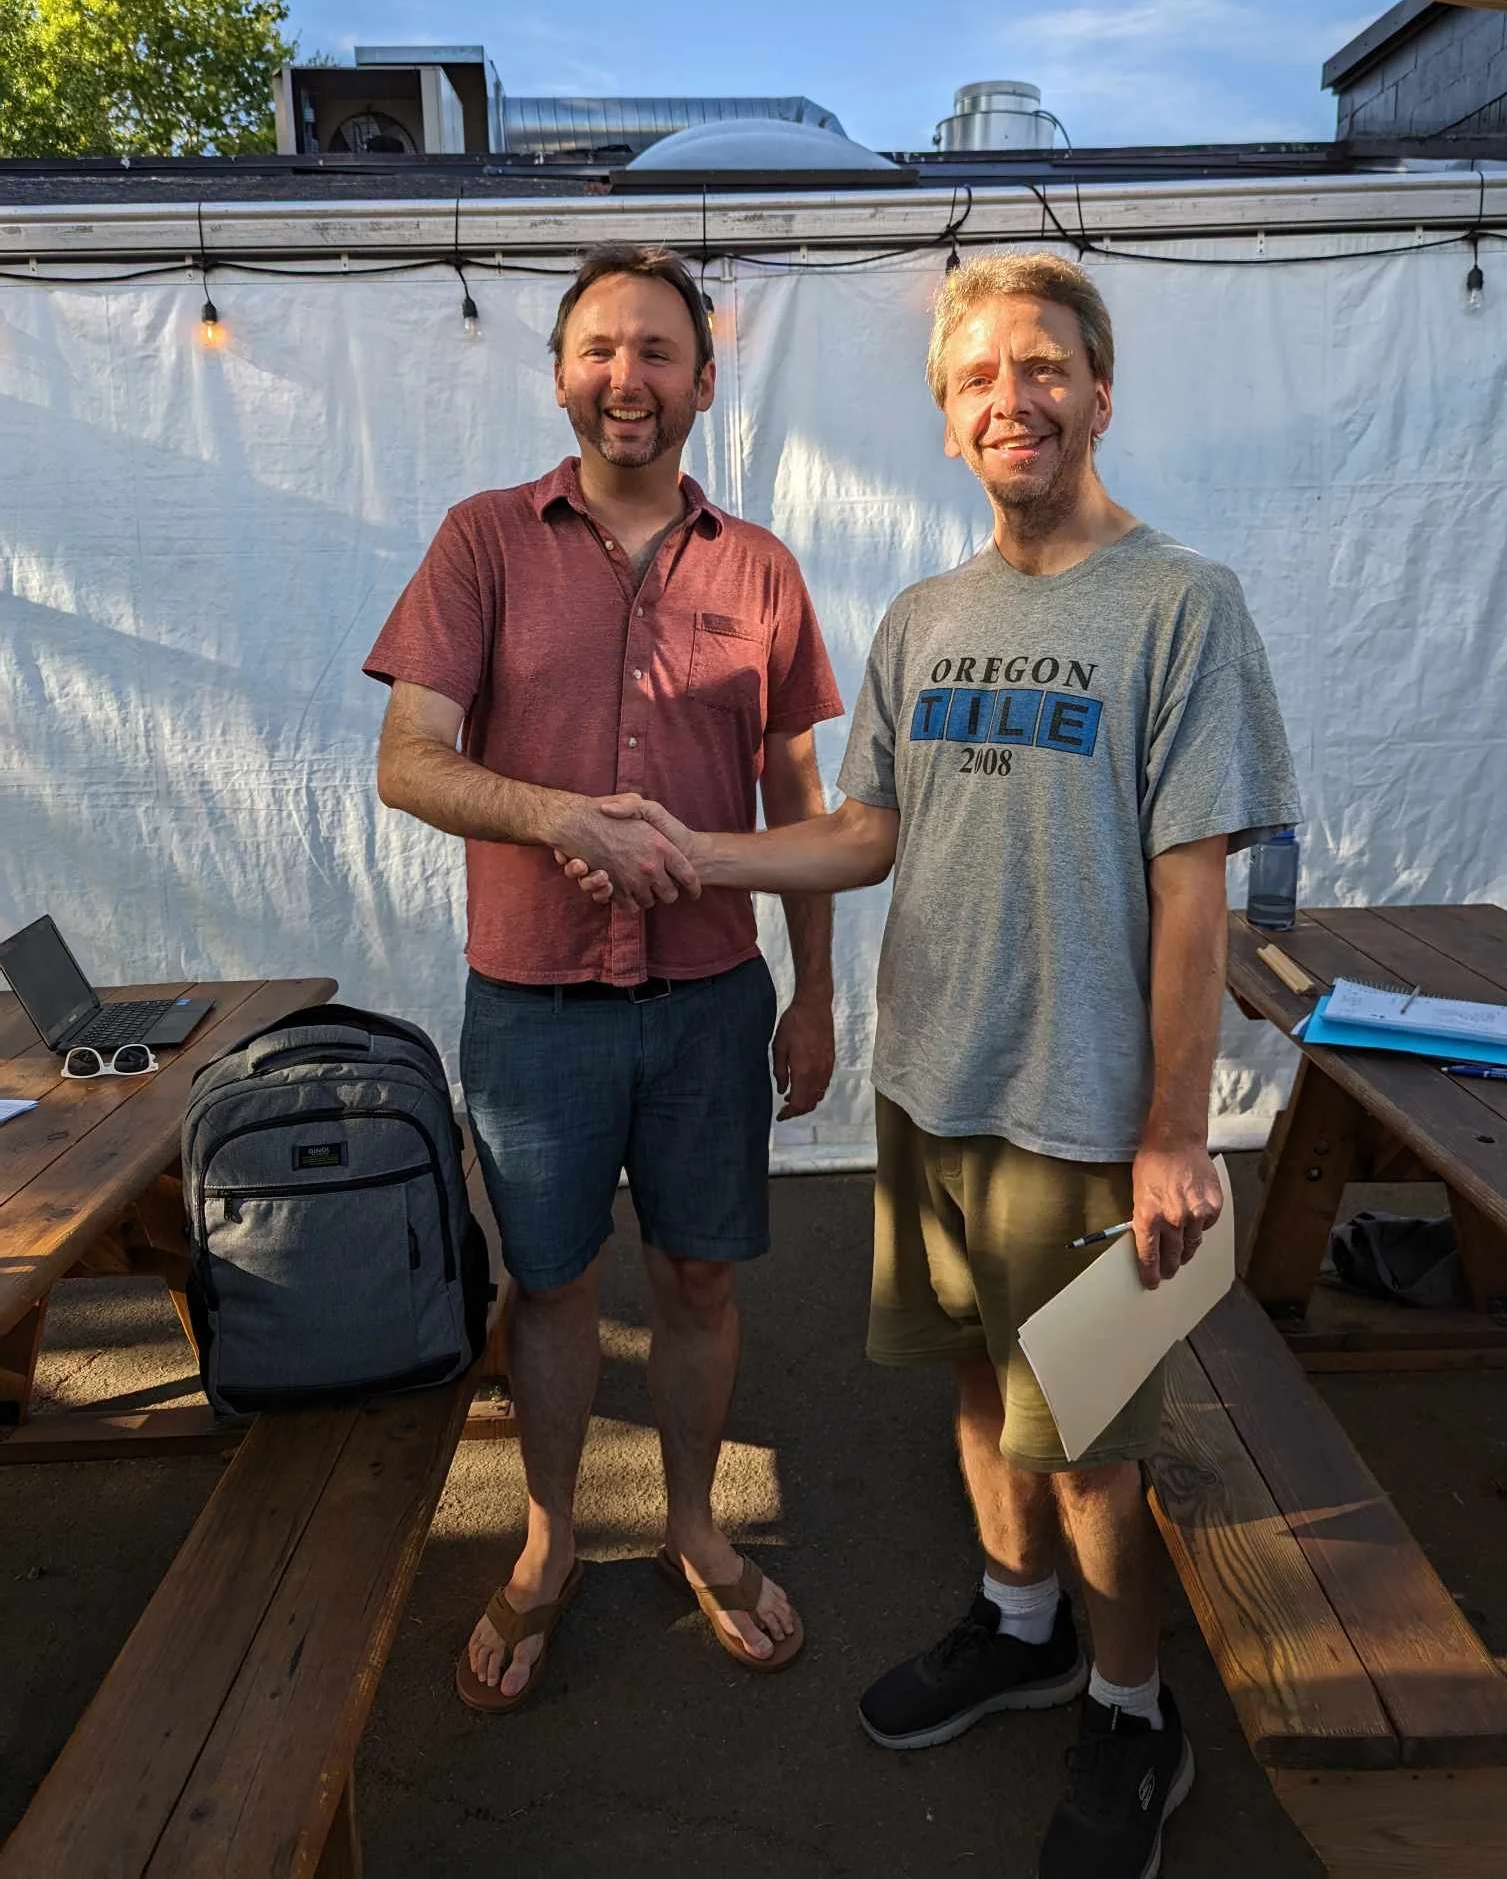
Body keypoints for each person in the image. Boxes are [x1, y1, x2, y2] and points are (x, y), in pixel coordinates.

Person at [569, 251, 1299, 1876]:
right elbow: (865, 834)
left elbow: (1196, 889)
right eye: (977, 379)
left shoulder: (1181, 603)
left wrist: (1176, 1131)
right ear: (949, 421)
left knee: (1092, 1444)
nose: (1009, 399)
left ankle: (1133, 1711)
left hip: (1086, 1113)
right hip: (933, 1089)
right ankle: (1019, 1622)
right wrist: (694, 851)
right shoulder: (924, 618)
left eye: (1041, 369)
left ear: (1099, 394)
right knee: (975, 1388)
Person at [363, 243, 844, 1710]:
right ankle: (552, 1538)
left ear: (704, 381)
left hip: (711, 1002)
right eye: (599, 350)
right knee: (554, 1283)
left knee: (698, 1277)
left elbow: (796, 796)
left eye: (656, 351)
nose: (625, 377)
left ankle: (695, 1524)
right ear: (562, 375)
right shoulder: (481, 543)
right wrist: (560, 818)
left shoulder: (761, 568)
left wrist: (818, 992)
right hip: (535, 1005)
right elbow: (410, 763)